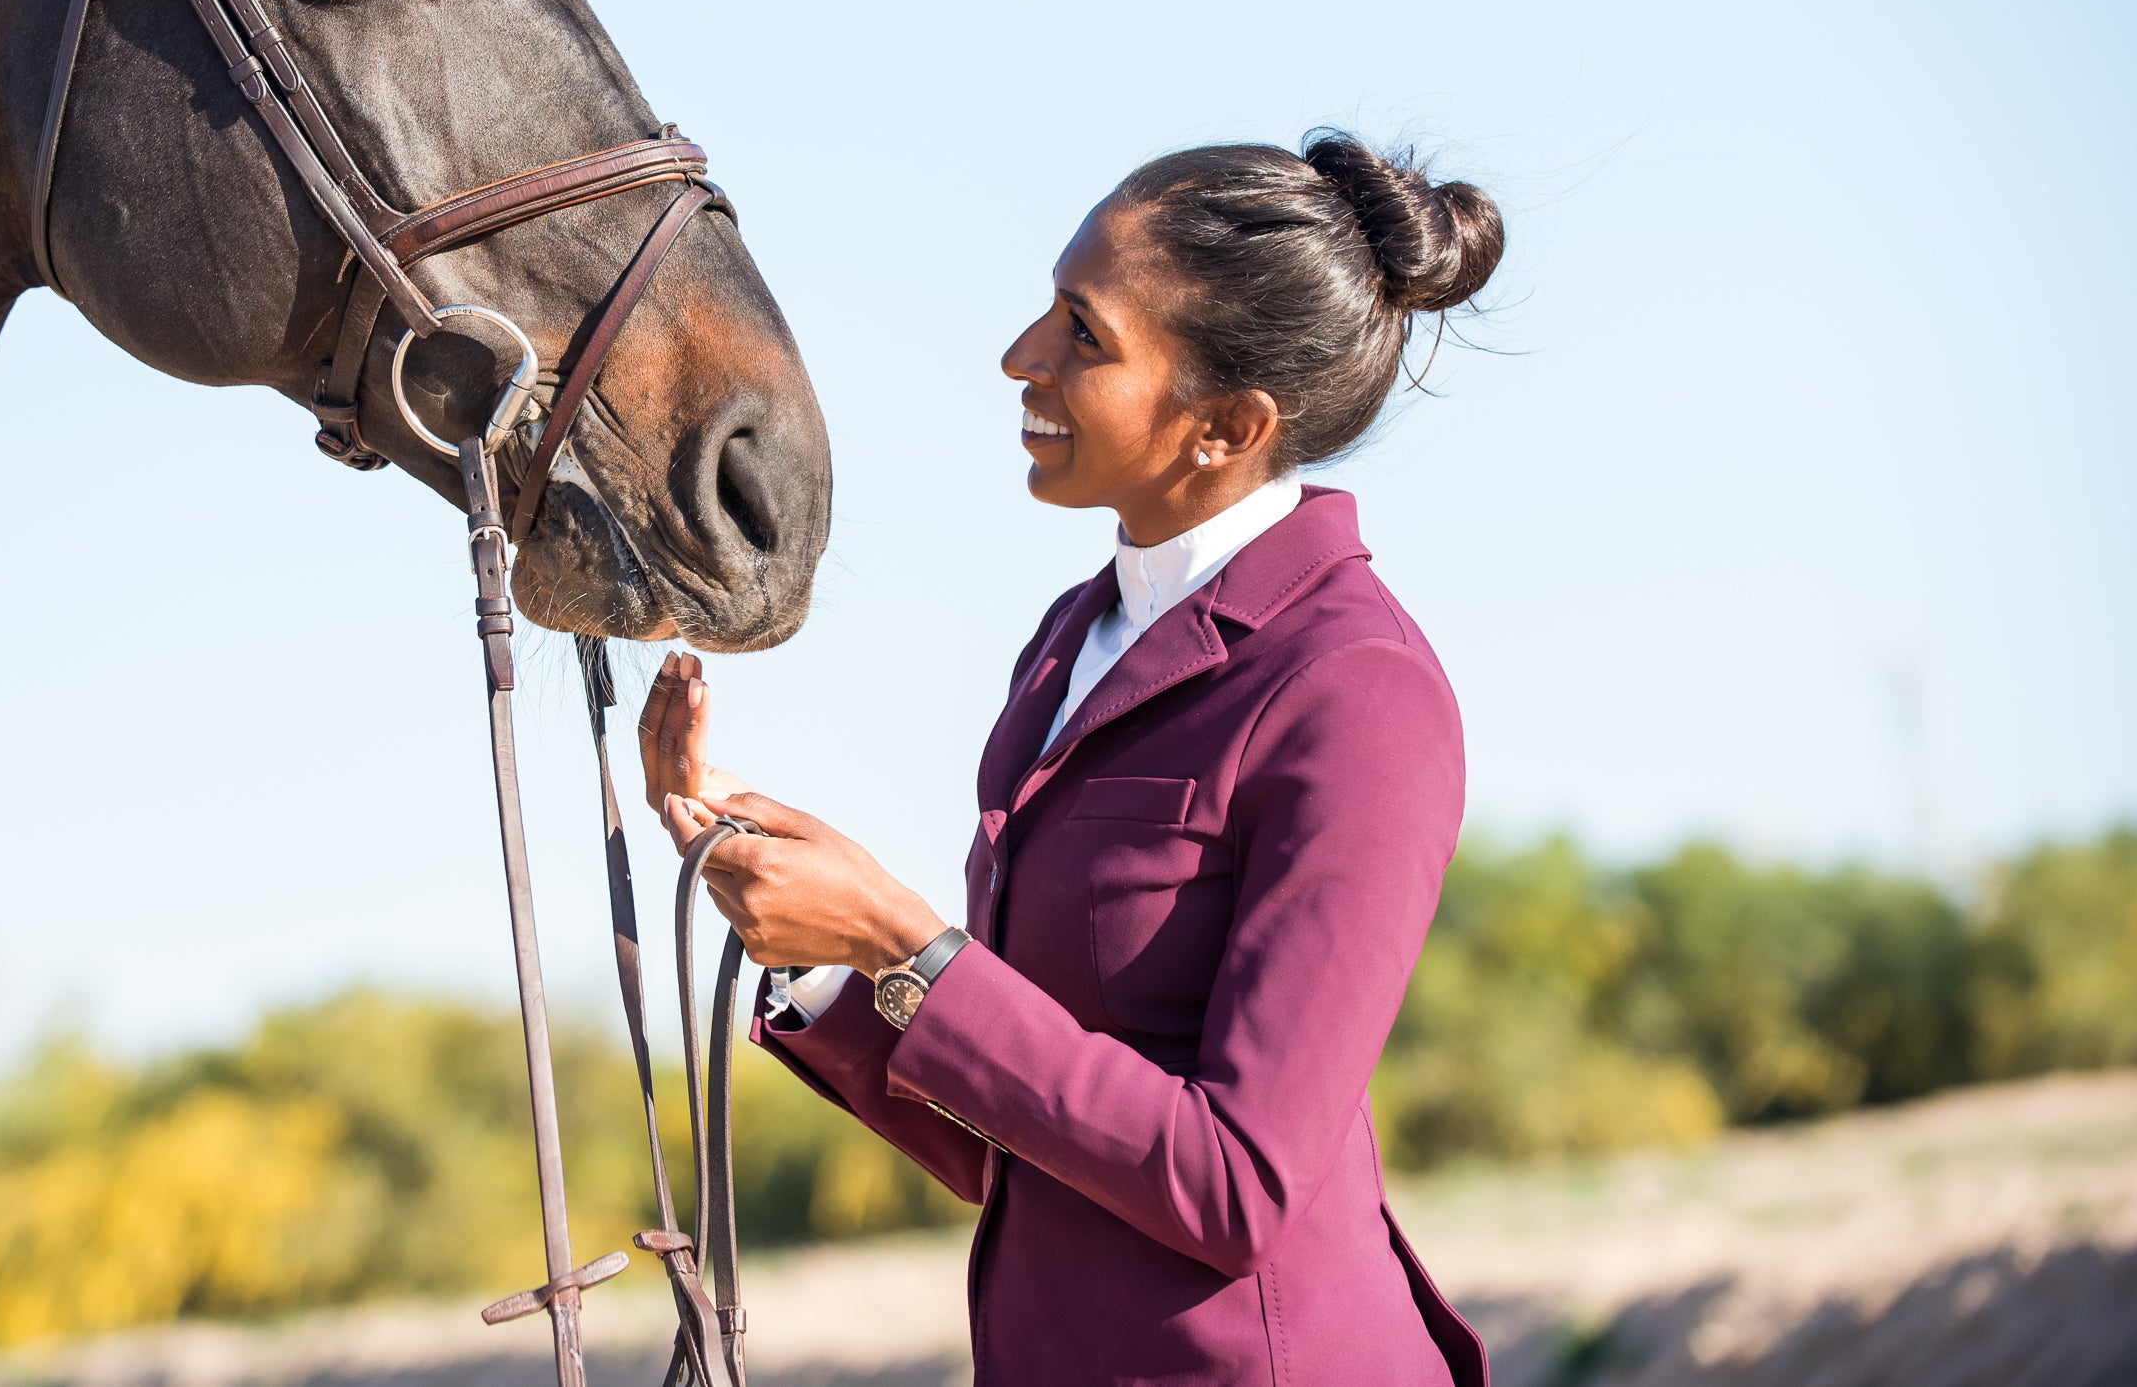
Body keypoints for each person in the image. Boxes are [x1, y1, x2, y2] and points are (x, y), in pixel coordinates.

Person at [638, 136, 1500, 1387]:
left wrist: (900, 939)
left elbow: (1235, 1183)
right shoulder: (1072, 638)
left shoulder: (1356, 686)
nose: (1021, 355)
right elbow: (1018, 1145)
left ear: (1228, 426)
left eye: (1083, 333)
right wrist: (821, 953)